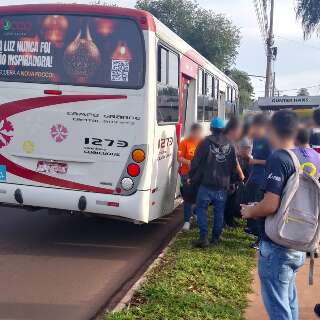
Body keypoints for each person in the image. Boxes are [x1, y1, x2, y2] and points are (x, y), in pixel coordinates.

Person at [241, 110, 305, 320]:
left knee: (278, 307)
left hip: (278, 245)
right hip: (297, 241)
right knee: (289, 299)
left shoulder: (278, 157)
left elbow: (270, 205)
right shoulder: (304, 156)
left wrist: (250, 210)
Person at [188, 117, 238, 248]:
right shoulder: (231, 144)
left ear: (211, 129)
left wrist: (191, 176)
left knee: (200, 209)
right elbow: (234, 165)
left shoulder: (205, 143)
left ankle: (203, 238)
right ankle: (216, 238)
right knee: (219, 212)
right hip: (223, 185)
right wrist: (232, 181)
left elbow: (195, 162)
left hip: (206, 183)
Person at [245, 113, 272, 249]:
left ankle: (261, 240)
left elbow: (272, 161)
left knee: (260, 211)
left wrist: (255, 161)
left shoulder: (268, 140)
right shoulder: (256, 139)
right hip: (254, 178)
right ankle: (255, 232)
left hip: (263, 180)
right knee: (252, 204)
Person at [178, 123, 204, 231]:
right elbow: (179, 158)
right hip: (186, 174)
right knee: (188, 199)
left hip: (199, 175)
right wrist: (189, 162)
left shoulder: (203, 143)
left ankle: (197, 216)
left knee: (199, 198)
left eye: (199, 133)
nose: (197, 135)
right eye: (196, 133)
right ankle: (187, 221)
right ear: (192, 132)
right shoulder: (184, 142)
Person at [223, 116, 245, 227]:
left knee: (232, 199)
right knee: (226, 200)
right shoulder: (226, 141)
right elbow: (234, 160)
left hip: (231, 176)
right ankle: (225, 221)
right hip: (226, 176)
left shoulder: (231, 140)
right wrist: (240, 173)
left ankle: (229, 219)